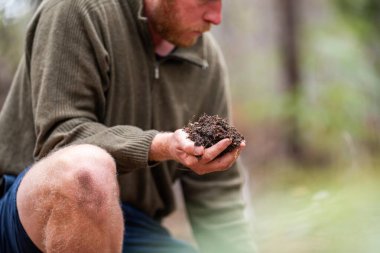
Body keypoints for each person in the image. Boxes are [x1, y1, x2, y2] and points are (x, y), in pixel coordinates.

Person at [0, 0, 257, 252]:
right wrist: (160, 145)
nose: (216, 16)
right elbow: (62, 138)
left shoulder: (205, 58)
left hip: (134, 228)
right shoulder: (78, 8)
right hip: (30, 215)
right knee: (87, 171)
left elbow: (216, 192)